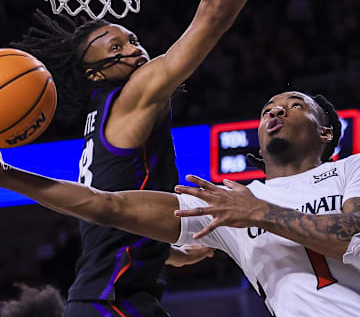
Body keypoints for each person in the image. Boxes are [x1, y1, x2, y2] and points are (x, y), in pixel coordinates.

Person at [10, 0, 267, 315]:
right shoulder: (133, 94)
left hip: (107, 297)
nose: (134, 49)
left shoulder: (99, 123)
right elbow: (213, 16)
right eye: (115, 49)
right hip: (110, 300)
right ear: (95, 74)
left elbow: (112, 226)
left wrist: (169, 252)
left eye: (132, 40)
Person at [1, 91, 360, 316]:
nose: (276, 113)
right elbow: (107, 206)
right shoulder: (229, 201)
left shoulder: (351, 167)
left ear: (326, 132)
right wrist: (7, 174)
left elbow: (349, 237)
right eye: (269, 110)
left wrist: (261, 213)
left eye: (294, 106)